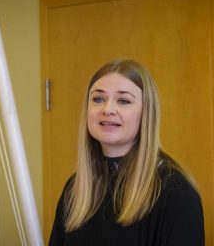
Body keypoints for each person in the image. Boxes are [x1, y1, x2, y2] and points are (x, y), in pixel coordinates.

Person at [48, 59, 205, 246]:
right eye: (98, 99)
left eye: (123, 101)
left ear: (146, 113)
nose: (108, 109)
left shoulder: (176, 192)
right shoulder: (75, 189)